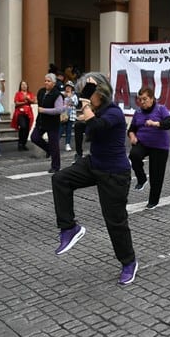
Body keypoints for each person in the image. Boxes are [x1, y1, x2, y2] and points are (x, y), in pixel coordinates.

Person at [51, 72, 138, 285]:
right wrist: (84, 116)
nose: (85, 97)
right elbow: (89, 131)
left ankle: (129, 262)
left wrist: (86, 107)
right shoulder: (97, 111)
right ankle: (69, 228)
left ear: (100, 93)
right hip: (94, 164)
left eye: (89, 93)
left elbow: (97, 127)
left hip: (114, 173)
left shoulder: (114, 112)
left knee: (115, 221)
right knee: (60, 179)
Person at [128, 86, 170, 210]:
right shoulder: (138, 113)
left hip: (160, 146)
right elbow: (132, 129)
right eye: (140, 100)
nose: (142, 102)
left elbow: (169, 123)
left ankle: (153, 200)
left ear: (152, 99)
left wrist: (156, 124)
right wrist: (132, 136)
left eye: (145, 99)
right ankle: (141, 179)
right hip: (143, 143)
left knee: (156, 174)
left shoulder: (160, 109)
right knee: (134, 155)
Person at [31, 73, 64, 173]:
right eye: (45, 80)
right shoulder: (41, 91)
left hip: (52, 124)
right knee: (34, 137)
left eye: (48, 81)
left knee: (54, 144)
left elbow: (59, 110)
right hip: (41, 121)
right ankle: (49, 150)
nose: (46, 82)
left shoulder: (57, 94)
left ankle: (55, 166)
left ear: (53, 83)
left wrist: (44, 110)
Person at [10, 80, 36, 151]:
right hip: (20, 113)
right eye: (22, 85)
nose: (24, 86)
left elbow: (34, 101)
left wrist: (28, 99)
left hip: (28, 113)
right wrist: (23, 102)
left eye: (25, 84)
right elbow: (16, 103)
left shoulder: (30, 93)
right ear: (20, 86)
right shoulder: (18, 94)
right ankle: (20, 143)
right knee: (23, 126)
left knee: (27, 128)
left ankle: (24, 144)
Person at [62, 80, 78, 152]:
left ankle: (67, 144)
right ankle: (55, 144)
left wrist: (70, 98)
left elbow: (76, 103)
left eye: (69, 87)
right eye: (67, 87)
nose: (68, 88)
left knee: (69, 130)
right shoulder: (62, 94)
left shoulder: (74, 95)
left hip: (71, 115)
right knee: (61, 129)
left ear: (72, 88)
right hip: (64, 115)